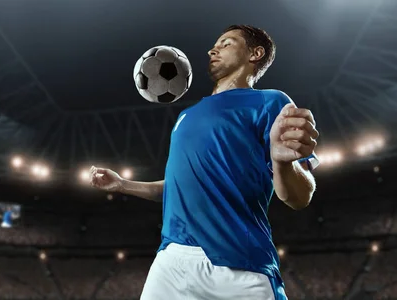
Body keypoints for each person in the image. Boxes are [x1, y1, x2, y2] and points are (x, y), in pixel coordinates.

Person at [89, 24, 320, 300]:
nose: (213, 49)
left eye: (227, 43)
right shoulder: (187, 115)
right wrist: (123, 185)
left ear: (255, 54)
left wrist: (283, 164)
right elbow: (180, 186)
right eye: (215, 44)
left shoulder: (270, 102)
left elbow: (300, 197)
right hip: (171, 260)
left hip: (239, 262)